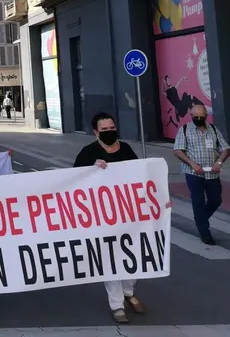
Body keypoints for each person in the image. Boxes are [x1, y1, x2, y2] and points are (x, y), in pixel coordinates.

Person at [73, 112, 144, 324]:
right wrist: (91, 169)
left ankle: (129, 292)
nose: (109, 132)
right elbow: (73, 180)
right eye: (104, 130)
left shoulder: (127, 150)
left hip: (129, 213)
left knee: (134, 254)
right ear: (96, 132)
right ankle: (117, 304)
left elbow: (142, 176)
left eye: (111, 127)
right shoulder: (88, 152)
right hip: (102, 216)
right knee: (111, 258)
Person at [172, 104, 230, 245]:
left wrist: (219, 162)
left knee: (215, 200)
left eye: (202, 117)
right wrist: (192, 164)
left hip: (212, 173)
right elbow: (178, 150)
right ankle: (205, 233)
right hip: (193, 173)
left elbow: (226, 149)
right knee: (198, 202)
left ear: (206, 116)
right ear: (191, 116)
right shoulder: (185, 130)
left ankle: (200, 218)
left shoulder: (213, 130)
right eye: (196, 117)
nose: (199, 119)